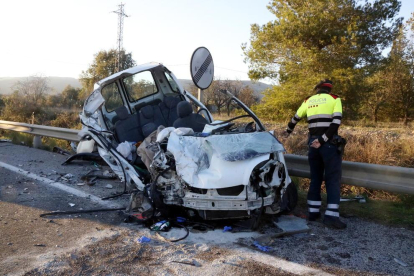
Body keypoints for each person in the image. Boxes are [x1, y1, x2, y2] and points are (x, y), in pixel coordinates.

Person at [284, 79, 346, 229]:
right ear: (329, 89)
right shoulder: (334, 99)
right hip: (328, 144)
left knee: (315, 178)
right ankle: (331, 216)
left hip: (313, 144)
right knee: (332, 179)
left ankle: (313, 212)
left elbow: (294, 119)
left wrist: (287, 133)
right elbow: (336, 122)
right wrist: (323, 139)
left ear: (317, 89)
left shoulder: (308, 101)